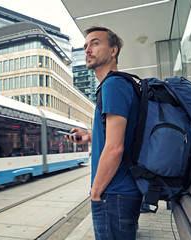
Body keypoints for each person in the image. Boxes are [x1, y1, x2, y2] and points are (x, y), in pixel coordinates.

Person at [66, 26, 142, 240]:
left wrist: (96, 192)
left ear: (113, 51)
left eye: (95, 43)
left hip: (114, 194)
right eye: (85, 45)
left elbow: (115, 147)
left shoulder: (113, 85)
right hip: (120, 194)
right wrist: (90, 136)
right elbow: (121, 136)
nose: (87, 49)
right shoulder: (117, 85)